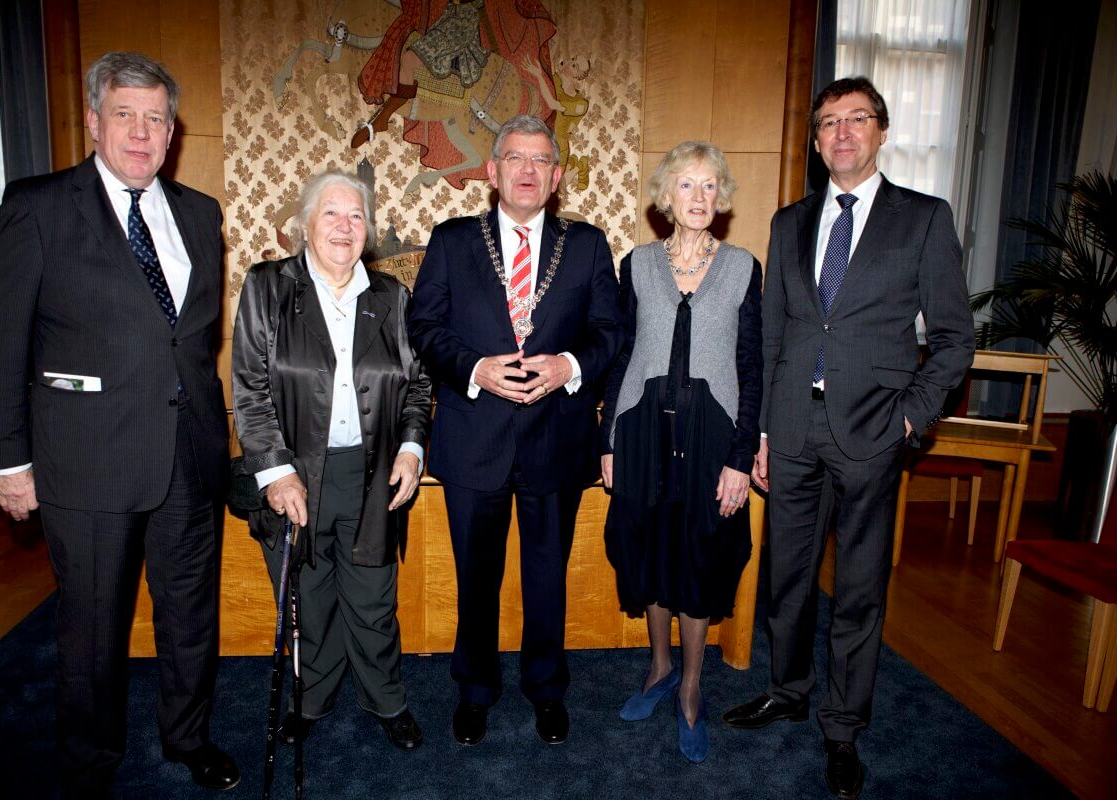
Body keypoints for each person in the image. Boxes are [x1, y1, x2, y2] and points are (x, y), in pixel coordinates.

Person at [0, 52, 238, 796]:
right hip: (86, 462)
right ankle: (90, 763)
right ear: (93, 121)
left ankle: (189, 738)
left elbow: (189, 340)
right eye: (124, 114)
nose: (140, 131)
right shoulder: (38, 207)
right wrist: (9, 460)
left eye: (155, 118)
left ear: (172, 131)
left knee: (190, 616)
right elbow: (4, 345)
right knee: (92, 631)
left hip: (188, 455)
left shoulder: (198, 213)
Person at [721, 77, 974, 799]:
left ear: (881, 130)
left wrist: (910, 416)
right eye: (828, 122)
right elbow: (773, 335)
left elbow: (955, 339)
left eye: (855, 119)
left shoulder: (923, 219)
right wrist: (765, 427)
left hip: (873, 431)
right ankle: (788, 689)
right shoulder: (789, 222)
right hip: (794, 430)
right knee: (787, 580)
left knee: (859, 590)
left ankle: (842, 728)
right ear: (816, 139)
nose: (841, 134)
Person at [407, 114, 621, 746]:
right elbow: (425, 328)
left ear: (555, 178)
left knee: (547, 577)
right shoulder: (450, 241)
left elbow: (610, 332)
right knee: (475, 578)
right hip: (475, 439)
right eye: (514, 158)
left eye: (540, 161)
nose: (527, 171)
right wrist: (474, 367)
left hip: (557, 438)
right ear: (492, 171)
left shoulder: (585, 245)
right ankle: (474, 691)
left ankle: (547, 690)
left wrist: (569, 366)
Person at [231, 170, 432, 751]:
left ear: (367, 230)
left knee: (374, 598)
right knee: (306, 597)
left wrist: (412, 449)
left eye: (356, 217)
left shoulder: (391, 298)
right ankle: (311, 700)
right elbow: (249, 386)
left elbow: (417, 387)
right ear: (304, 225)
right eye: (331, 215)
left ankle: (387, 700)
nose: (344, 227)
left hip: (372, 476)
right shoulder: (268, 287)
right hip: (296, 475)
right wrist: (275, 470)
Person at [600, 142, 762, 763]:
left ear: (720, 199)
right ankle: (660, 667)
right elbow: (621, 356)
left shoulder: (745, 267)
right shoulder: (636, 264)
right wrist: (608, 439)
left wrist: (741, 456)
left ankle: (692, 687)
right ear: (665, 198)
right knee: (649, 548)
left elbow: (752, 366)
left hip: (712, 438)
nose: (699, 197)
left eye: (709, 186)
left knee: (700, 554)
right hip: (642, 430)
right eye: (686, 186)